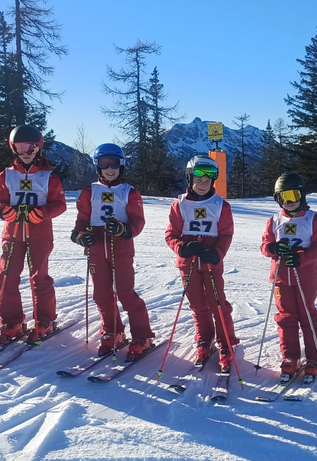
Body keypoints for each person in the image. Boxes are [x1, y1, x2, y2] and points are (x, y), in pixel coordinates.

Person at [70, 144, 154, 359]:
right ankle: (113, 330)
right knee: (101, 294)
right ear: (97, 166)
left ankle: (142, 335)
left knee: (126, 293)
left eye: (114, 163)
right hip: (97, 249)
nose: (109, 168)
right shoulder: (89, 191)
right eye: (104, 163)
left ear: (121, 165)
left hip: (121, 250)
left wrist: (124, 229)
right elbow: (82, 220)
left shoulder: (129, 191)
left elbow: (138, 221)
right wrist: (80, 236)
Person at [0, 125, 68, 343]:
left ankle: (45, 320)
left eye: (31, 147)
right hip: (13, 234)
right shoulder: (6, 175)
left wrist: (42, 213)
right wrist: (4, 211)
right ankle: (12, 321)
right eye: (20, 147)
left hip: (39, 235)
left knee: (39, 278)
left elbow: (59, 204)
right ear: (13, 148)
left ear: (38, 148)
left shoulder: (48, 176)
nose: (25, 152)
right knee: (6, 277)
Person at [163, 156, 239, 371]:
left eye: (208, 180)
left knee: (217, 304)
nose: (203, 183)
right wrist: (181, 247)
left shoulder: (221, 205)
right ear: (190, 178)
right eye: (198, 179)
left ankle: (226, 342)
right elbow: (170, 234)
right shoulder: (179, 205)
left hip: (211, 263)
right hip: (188, 265)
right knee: (197, 305)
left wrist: (217, 253)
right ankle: (204, 339)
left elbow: (226, 234)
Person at [259, 172, 317, 380]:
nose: (289, 201)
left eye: (293, 195)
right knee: (286, 318)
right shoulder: (274, 221)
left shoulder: (313, 219)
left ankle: (314, 358)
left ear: (302, 195)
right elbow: (264, 245)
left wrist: (301, 258)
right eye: (283, 197)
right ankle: (290, 357)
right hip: (281, 278)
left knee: (307, 316)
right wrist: (273, 248)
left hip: (304, 277)